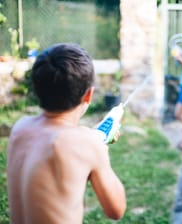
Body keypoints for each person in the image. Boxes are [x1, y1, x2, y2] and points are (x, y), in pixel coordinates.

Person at [6, 43, 126, 224]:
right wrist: (100, 149)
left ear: (36, 89)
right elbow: (116, 210)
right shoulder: (88, 144)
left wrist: (92, 141)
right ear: (88, 95)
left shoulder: (20, 129)